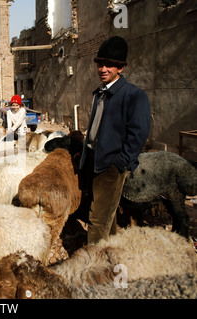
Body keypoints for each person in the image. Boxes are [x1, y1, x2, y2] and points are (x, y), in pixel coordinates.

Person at [79, 36, 151, 244]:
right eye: (100, 64)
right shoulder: (100, 93)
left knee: (97, 219)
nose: (103, 69)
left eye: (109, 65)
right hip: (94, 159)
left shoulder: (133, 95)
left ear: (120, 68)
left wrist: (121, 162)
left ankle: (94, 267)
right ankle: (110, 256)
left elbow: (139, 133)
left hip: (110, 165)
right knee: (105, 215)